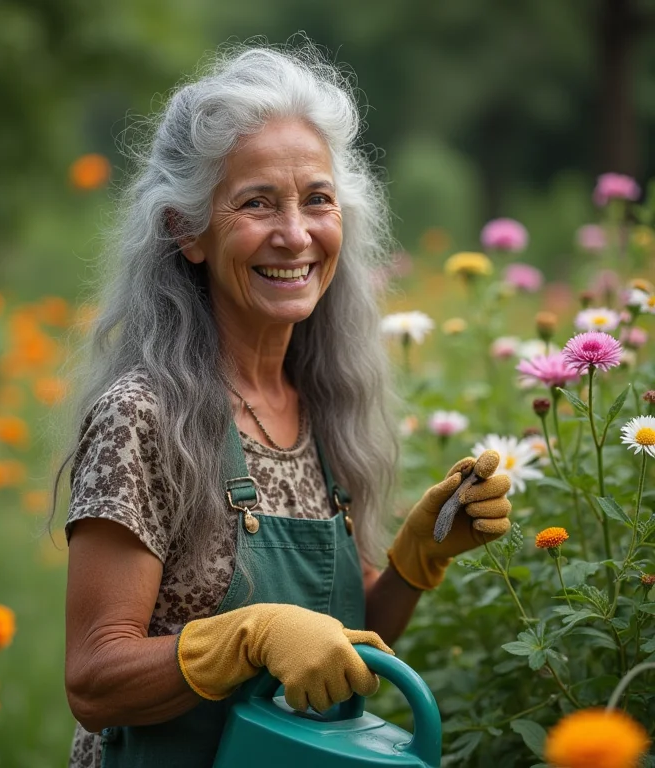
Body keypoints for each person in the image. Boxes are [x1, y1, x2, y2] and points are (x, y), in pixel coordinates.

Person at [60, 42, 512, 768]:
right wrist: (246, 635)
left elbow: (338, 647)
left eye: (317, 200)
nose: (296, 234)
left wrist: (414, 564)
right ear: (187, 230)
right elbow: (93, 679)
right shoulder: (142, 415)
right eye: (257, 202)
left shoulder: (325, 405)